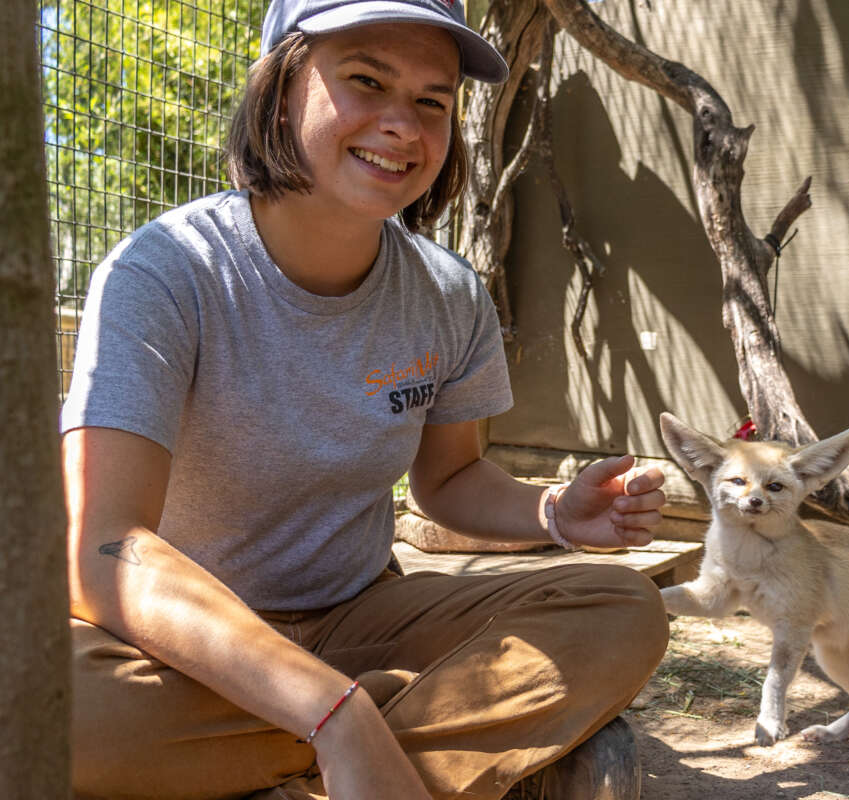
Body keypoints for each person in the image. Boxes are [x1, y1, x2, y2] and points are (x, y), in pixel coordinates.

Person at [60, 1, 670, 798]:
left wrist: (554, 512)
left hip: (359, 617)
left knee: (621, 608)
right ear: (279, 90)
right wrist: (335, 711)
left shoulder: (449, 294)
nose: (403, 126)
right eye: (366, 81)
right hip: (183, 642)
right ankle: (381, 737)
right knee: (52, 701)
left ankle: (300, 763)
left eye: (432, 100)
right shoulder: (164, 271)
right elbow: (103, 546)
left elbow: (448, 481)